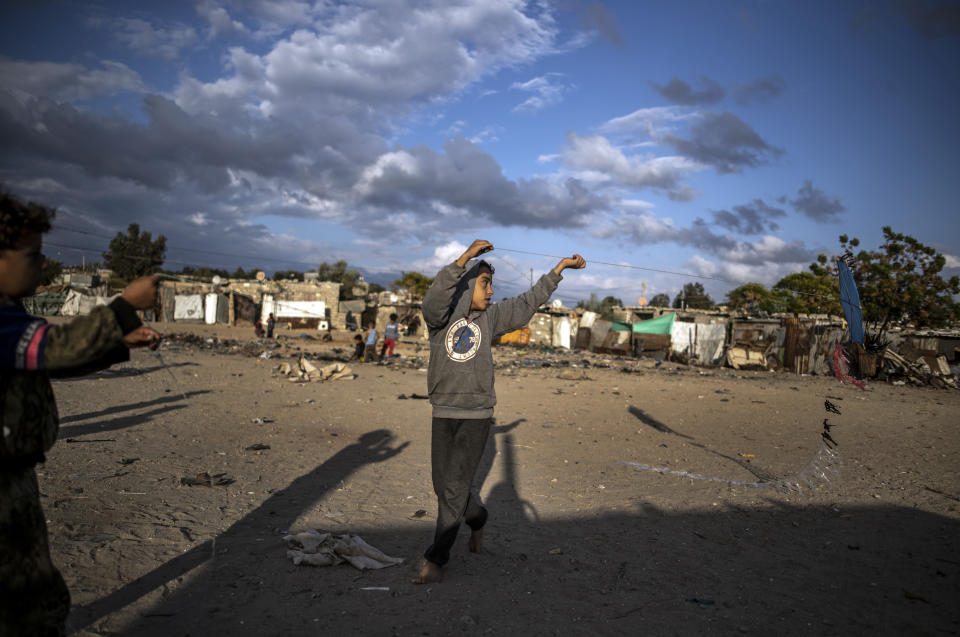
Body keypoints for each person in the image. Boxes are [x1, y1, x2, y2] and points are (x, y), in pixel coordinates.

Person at [0, 191, 162, 636]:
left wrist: (116, 344)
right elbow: (56, 348)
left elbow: (48, 359)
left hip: (15, 477)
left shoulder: (9, 317)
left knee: (31, 587)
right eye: (32, 255)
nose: (44, 264)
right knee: (24, 602)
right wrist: (124, 306)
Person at [416, 239, 585, 583]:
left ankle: (436, 559)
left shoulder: (491, 318)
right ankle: (477, 518)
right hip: (443, 410)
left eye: (491, 284)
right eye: (484, 283)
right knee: (444, 487)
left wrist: (559, 270)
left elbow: (526, 304)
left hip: (477, 415)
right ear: (465, 286)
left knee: (452, 491)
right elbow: (433, 298)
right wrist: (464, 258)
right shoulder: (439, 320)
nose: (491, 291)